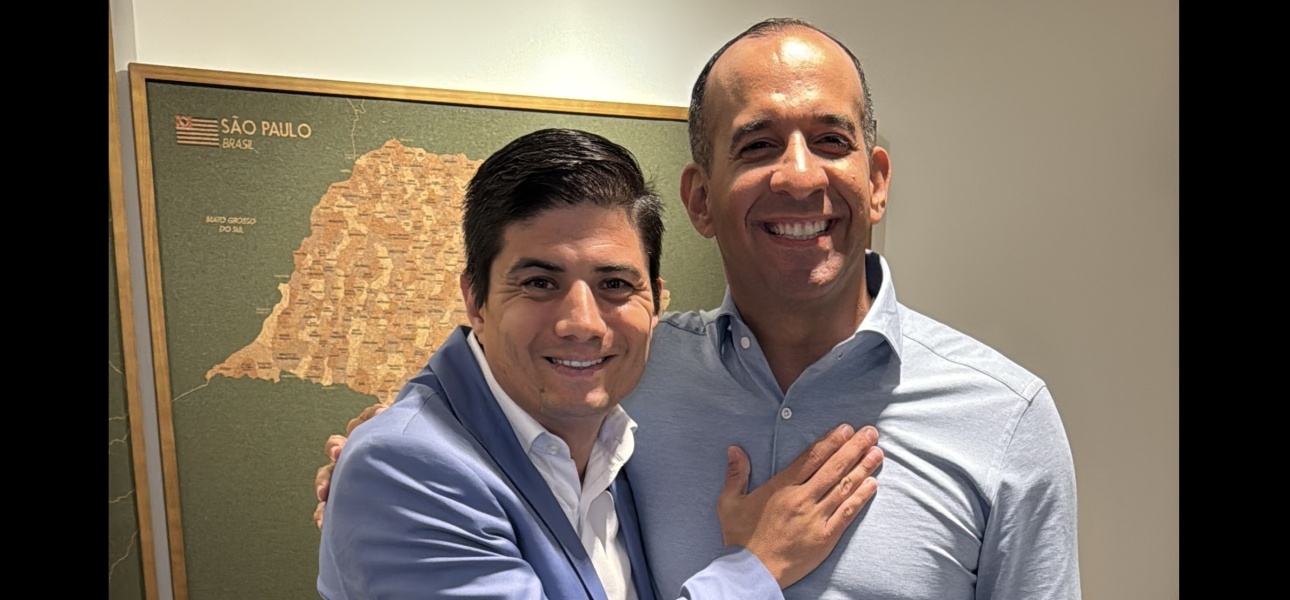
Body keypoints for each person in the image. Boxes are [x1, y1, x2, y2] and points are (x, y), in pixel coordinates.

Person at [320, 17, 1081, 599]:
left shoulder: (1004, 419)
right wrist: (395, 443)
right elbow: (482, 420)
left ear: (876, 181)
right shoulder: (624, 376)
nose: (799, 176)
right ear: (701, 199)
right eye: (756, 146)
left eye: (830, 140)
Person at [316, 128, 884, 600]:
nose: (583, 323)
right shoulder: (404, 466)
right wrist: (754, 569)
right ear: (475, 301)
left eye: (614, 284)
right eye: (540, 282)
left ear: (655, 302)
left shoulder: (613, 428)